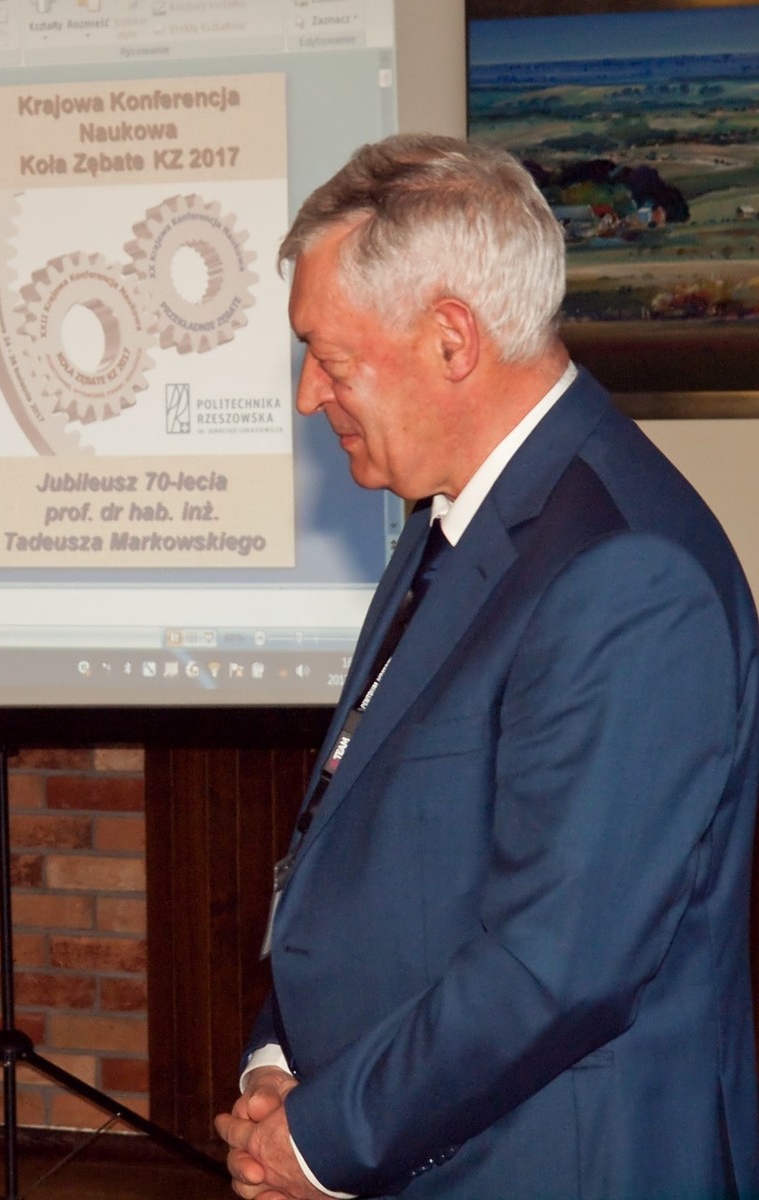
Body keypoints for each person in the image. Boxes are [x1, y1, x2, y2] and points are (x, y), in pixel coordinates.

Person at [217, 134, 759, 1199]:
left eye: (330, 358)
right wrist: (282, 1057)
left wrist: (320, 1138)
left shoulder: (626, 570)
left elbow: (555, 968)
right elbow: (368, 837)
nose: (308, 395)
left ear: (451, 340)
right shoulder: (459, 514)